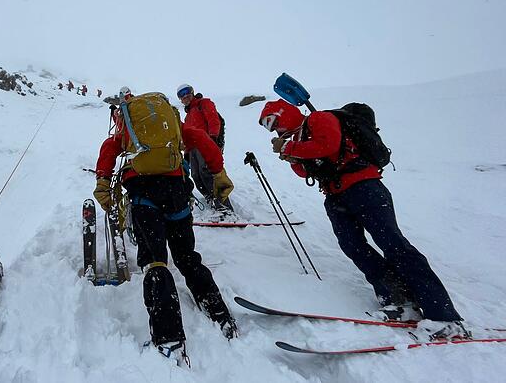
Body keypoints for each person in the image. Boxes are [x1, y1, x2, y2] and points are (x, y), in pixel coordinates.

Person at [258, 99, 468, 339]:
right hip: (336, 195)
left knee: (393, 245)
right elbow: (308, 170)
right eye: (269, 127)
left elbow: (327, 145)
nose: (274, 130)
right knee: (353, 246)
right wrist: (293, 158)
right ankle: (399, 301)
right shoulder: (301, 138)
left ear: (283, 114)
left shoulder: (319, 119)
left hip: (364, 187)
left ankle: (445, 317)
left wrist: (289, 150)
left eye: (273, 123)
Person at [94, 92, 238, 365]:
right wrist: (219, 174)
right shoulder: (172, 126)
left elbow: (109, 147)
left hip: (144, 196)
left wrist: (103, 181)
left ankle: (169, 336)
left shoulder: (128, 127)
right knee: (186, 256)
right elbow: (202, 140)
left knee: (156, 262)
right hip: (176, 193)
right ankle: (219, 313)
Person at [176, 83, 232, 212]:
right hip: (193, 149)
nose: (185, 97)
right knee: (196, 175)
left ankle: (224, 207)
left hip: (206, 144)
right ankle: (211, 198)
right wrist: (187, 152)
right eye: (181, 95)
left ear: (192, 92)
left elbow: (213, 120)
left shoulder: (204, 104)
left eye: (187, 93)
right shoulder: (188, 115)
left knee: (207, 173)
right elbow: (189, 135)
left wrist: (213, 139)